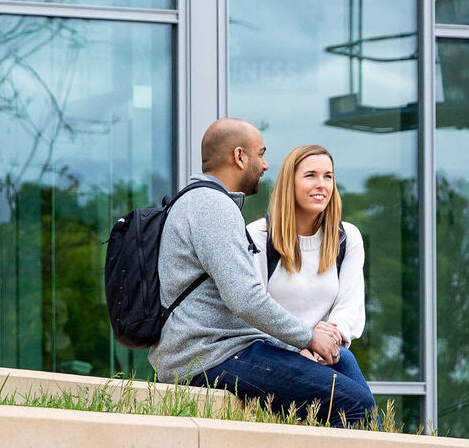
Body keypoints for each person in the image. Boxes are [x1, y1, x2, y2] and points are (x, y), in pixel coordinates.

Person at [152, 118, 375, 426]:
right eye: (261, 153)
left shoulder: (203, 202)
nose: (266, 164)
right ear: (240, 157)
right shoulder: (213, 208)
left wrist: (306, 341)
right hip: (208, 357)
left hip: (221, 350)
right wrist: (307, 338)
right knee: (354, 404)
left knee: (344, 362)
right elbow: (245, 299)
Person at [246, 144, 373, 422]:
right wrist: (300, 343)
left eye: (328, 176)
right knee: (352, 389)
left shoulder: (346, 237)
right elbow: (250, 309)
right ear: (289, 182)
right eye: (311, 176)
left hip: (327, 353)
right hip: (272, 355)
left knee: (343, 360)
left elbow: (350, 307)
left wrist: (327, 340)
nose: (321, 185)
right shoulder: (258, 236)